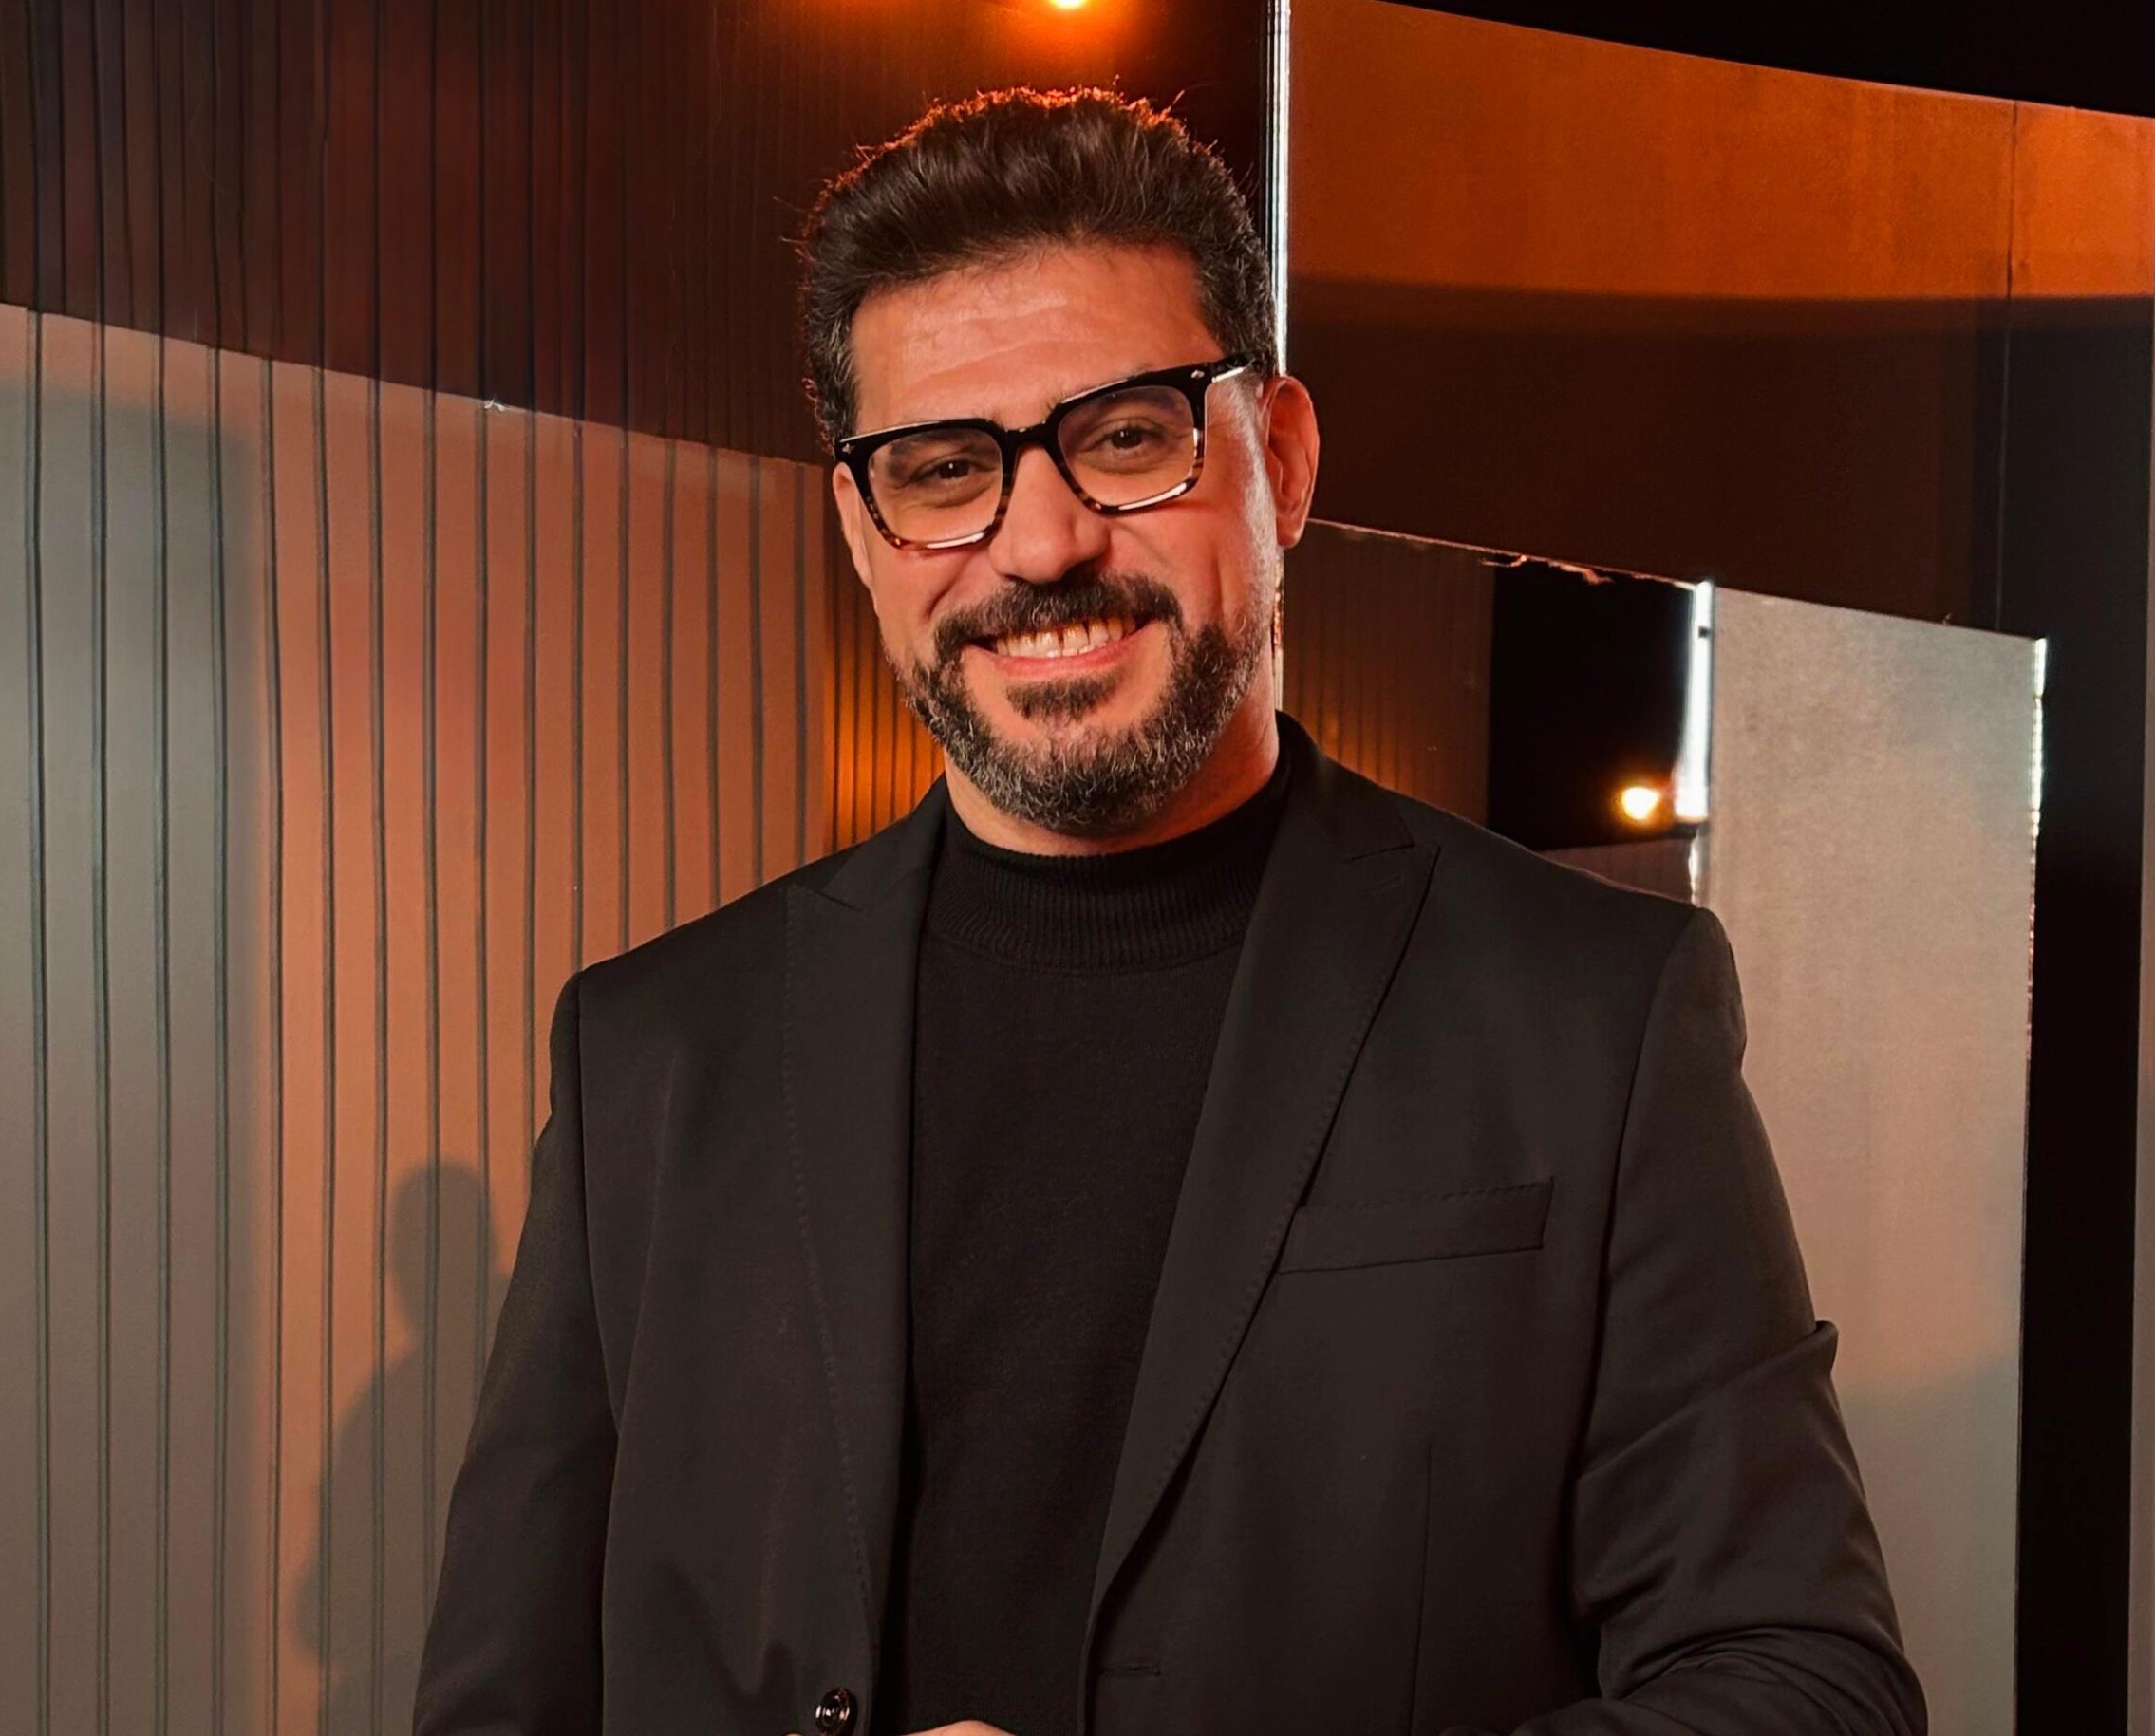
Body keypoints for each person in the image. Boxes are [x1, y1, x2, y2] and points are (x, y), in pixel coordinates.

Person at [414, 86, 1925, 1736]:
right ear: (861, 529)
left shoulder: (1593, 1012)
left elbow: (1806, 1685)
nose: (1042, 543)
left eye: (1127, 437)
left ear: (1282, 459)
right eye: (943, 470)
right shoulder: (654, 1053)